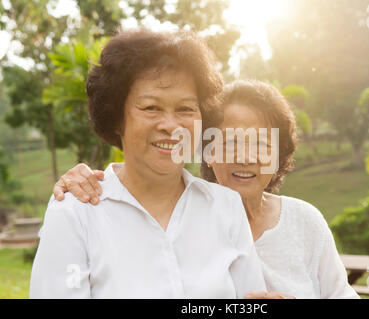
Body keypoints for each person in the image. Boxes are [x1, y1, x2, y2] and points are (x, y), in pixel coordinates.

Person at [54, 79, 359, 299]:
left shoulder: (305, 221)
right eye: (229, 142)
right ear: (207, 151)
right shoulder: (176, 220)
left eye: (261, 144)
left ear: (279, 157)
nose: (245, 157)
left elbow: (341, 294)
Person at [30, 30, 267, 298]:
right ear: (117, 118)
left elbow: (252, 300)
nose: (170, 126)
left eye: (185, 109)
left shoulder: (226, 207)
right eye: (151, 108)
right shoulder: (76, 212)